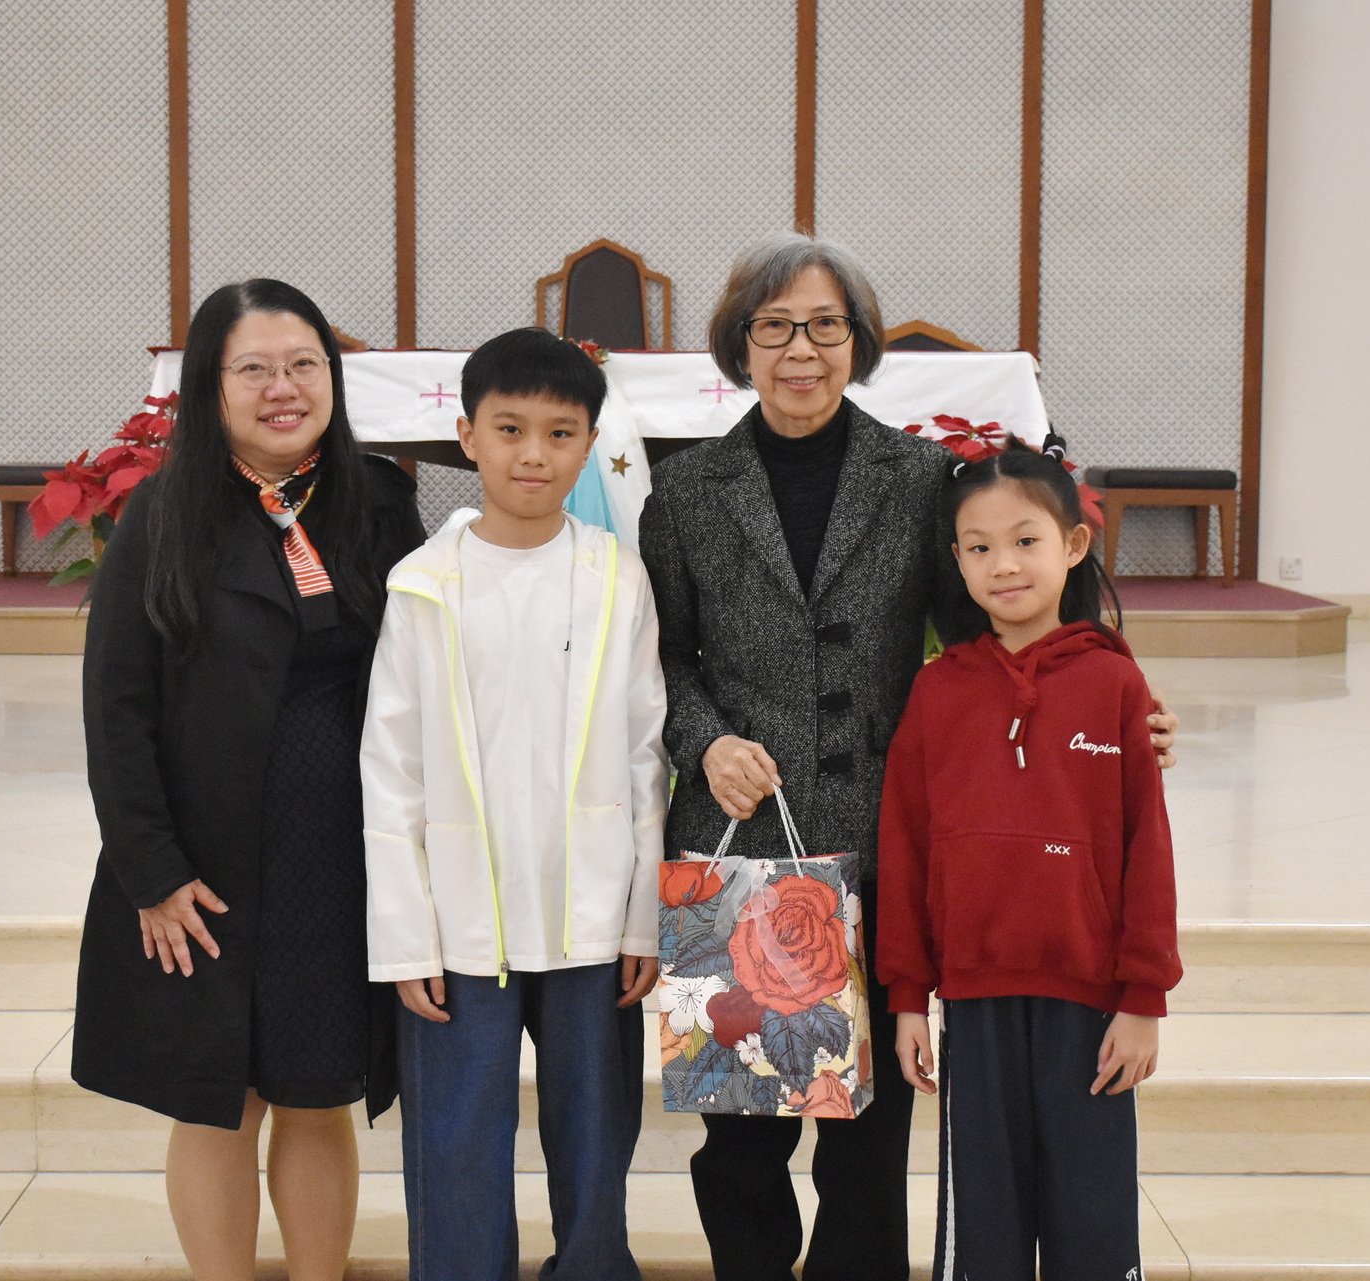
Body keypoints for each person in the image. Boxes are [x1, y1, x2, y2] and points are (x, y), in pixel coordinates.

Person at [639, 233, 1179, 1281]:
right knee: (741, 1131)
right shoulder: (689, 489)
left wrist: (1109, 704)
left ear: (860, 341)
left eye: (825, 325)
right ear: (740, 344)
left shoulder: (920, 476)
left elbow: (996, 633)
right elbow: (660, 655)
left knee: (867, 1141)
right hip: (739, 844)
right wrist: (705, 743)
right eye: (775, 326)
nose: (802, 349)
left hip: (886, 837)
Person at [71, 279, 425, 1281]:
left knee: (317, 1091)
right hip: (206, 866)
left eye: (304, 364)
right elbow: (116, 708)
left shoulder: (378, 500)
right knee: (218, 1100)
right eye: (255, 368)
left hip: (338, 858)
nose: (284, 387)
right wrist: (150, 870)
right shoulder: (162, 514)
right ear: (210, 387)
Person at [360, 327, 670, 1281]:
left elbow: (646, 750)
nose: (534, 453)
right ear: (467, 436)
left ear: (590, 445)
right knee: (454, 1138)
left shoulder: (616, 575)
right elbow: (391, 768)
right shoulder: (422, 584)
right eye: (509, 429)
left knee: (596, 1137)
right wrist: (406, 936)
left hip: (589, 916)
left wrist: (643, 916)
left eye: (560, 433)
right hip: (460, 923)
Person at [879, 435, 1182, 1281]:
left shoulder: (1116, 685)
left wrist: (1144, 997)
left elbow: (1147, 848)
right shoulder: (937, 690)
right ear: (956, 561)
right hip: (973, 1003)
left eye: (1024, 540)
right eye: (979, 547)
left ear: (1073, 544)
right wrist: (908, 996)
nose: (1003, 564)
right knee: (985, 1226)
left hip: (1090, 1006)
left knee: (1092, 1219)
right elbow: (905, 845)